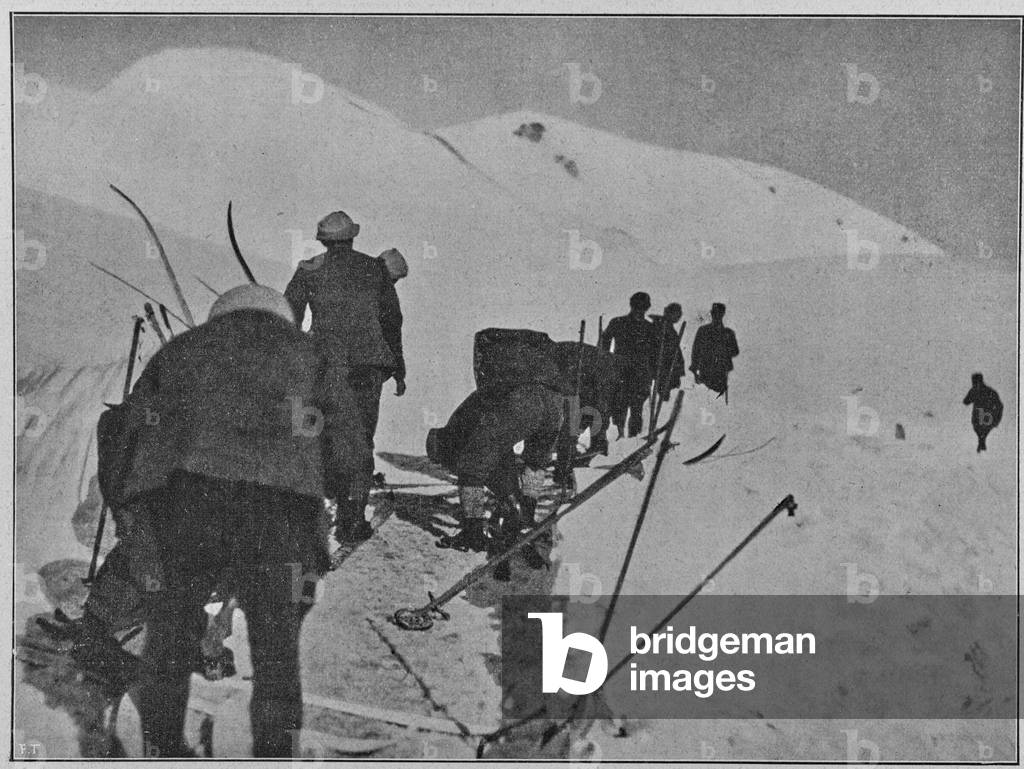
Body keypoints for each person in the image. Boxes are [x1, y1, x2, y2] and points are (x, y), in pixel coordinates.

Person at [90, 284, 371, 757]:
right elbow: (350, 448)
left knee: (171, 639)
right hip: (282, 517)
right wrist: (341, 505)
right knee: (277, 654)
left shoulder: (180, 351)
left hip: (186, 507)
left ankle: (162, 749)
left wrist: (127, 507)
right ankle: (274, 755)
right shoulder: (311, 354)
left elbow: (122, 429)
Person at [285, 211, 406, 542]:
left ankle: (309, 508)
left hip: (324, 364)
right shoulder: (375, 269)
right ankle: (351, 519)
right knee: (359, 438)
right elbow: (392, 321)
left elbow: (289, 316)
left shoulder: (309, 268)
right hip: (367, 369)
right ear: (352, 237)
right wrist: (398, 369)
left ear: (323, 240)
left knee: (317, 431)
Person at [427, 384, 564, 579]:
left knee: (470, 468)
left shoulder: (459, 426)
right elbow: (502, 460)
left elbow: (475, 467)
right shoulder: (469, 420)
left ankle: (472, 534)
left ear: (444, 446)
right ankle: (525, 522)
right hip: (553, 402)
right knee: (535, 463)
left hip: (523, 400)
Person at [600, 292, 656, 438]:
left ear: (647, 308)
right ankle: (620, 435)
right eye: (637, 307)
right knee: (619, 405)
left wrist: (653, 372)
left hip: (641, 375)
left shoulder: (650, 328)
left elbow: (655, 353)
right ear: (631, 306)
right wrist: (606, 360)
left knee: (637, 409)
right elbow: (604, 341)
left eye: (643, 308)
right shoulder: (618, 322)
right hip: (621, 372)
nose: (639, 310)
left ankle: (633, 439)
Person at [689, 302, 739, 400]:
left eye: (719, 313)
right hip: (705, 371)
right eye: (714, 313)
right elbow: (696, 352)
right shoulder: (703, 331)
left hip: (721, 372)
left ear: (722, 314)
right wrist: (695, 370)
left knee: (718, 399)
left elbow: (735, 351)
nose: (716, 316)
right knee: (704, 399)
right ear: (711, 314)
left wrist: (724, 350)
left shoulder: (728, 333)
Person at [650, 302, 685, 403]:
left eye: (679, 315)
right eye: (676, 314)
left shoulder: (669, 328)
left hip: (667, 367)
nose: (678, 317)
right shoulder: (660, 326)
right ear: (668, 312)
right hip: (661, 367)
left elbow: (675, 351)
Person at [962, 373, 1003, 452]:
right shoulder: (990, 391)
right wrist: (997, 418)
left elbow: (966, 402)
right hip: (989, 417)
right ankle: (982, 444)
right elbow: (999, 405)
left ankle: (981, 445)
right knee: (982, 430)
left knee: (979, 428)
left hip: (981, 417)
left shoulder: (974, 390)